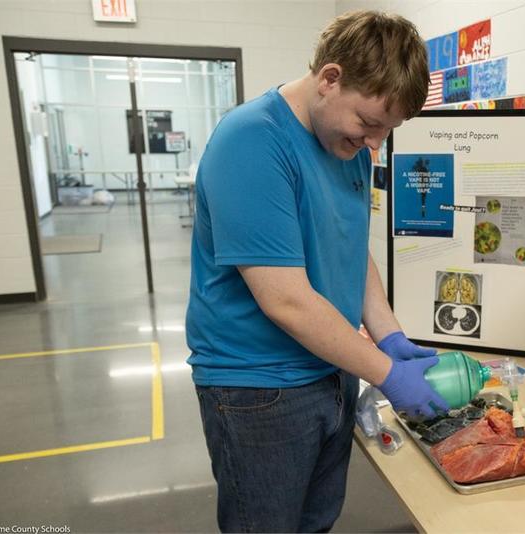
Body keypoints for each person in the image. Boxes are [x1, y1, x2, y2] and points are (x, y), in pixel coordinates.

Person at [185, 11, 448, 533]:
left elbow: (350, 246)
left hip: (330, 368)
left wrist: (389, 334)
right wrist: (387, 373)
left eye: (387, 131)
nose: (375, 144)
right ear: (330, 79)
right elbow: (285, 300)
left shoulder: (345, 143)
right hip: (259, 388)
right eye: (371, 124)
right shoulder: (253, 142)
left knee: (315, 523)